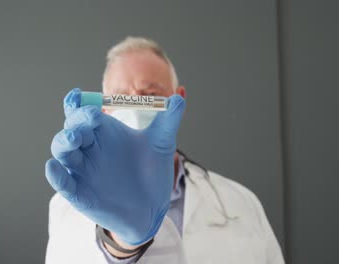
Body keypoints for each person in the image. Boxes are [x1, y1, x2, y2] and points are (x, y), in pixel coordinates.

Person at [44, 36, 285, 264]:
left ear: (178, 99)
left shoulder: (239, 201)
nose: (136, 105)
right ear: (103, 108)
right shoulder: (69, 204)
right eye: (119, 98)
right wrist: (122, 244)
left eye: (150, 95)